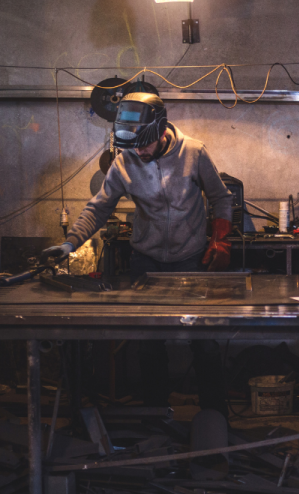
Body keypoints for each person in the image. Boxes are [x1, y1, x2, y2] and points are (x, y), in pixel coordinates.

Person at [41, 91, 234, 415]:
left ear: (161, 132)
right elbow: (98, 209)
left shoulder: (194, 152)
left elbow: (221, 198)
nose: (140, 153)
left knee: (204, 342)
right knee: (148, 346)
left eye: (145, 145)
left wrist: (221, 240)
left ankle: (214, 415)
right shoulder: (126, 159)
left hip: (190, 257)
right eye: (134, 147)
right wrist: (69, 243)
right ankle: (157, 417)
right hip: (146, 260)